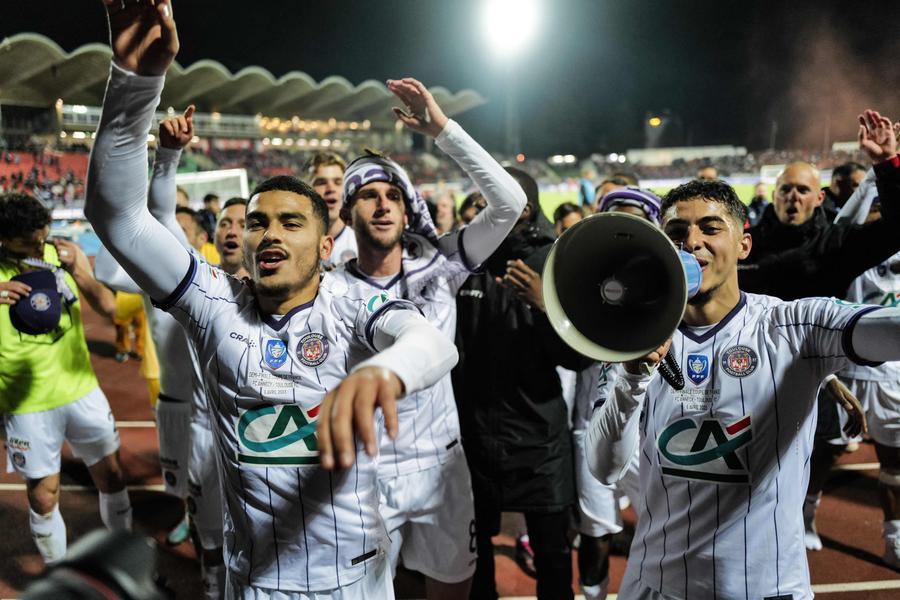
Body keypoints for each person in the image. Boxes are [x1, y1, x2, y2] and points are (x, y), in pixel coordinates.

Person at [86, 3, 458, 598]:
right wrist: (133, 83)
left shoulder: (353, 301)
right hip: (255, 582)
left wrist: (384, 373)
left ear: (326, 242)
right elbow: (117, 215)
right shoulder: (211, 299)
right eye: (258, 223)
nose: (269, 235)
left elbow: (431, 343)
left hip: (358, 583)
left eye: (291, 222)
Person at [585, 171, 900, 599]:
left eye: (710, 228)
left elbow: (890, 330)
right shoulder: (632, 339)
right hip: (655, 584)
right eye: (676, 232)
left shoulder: (794, 326)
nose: (692, 241)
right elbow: (604, 468)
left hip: (765, 588)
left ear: (744, 245)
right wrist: (633, 376)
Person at [330, 77, 526, 598]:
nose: (382, 204)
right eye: (367, 196)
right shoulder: (331, 286)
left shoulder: (440, 263)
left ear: (406, 203)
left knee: (452, 591)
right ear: (349, 212)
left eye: (392, 194)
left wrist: (443, 130)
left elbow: (509, 202)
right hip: (366, 471)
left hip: (442, 466)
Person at [740, 110, 900, 552]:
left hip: (811, 378)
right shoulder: (745, 240)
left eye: (802, 190)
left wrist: (886, 165)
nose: (792, 196)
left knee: (819, 453)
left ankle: (803, 518)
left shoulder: (835, 246)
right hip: (744, 379)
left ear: (818, 198)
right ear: (772, 196)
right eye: (784, 189)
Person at [455, 167, 590, 600]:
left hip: (539, 437)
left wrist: (544, 307)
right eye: (478, 200)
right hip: (471, 437)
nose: (478, 209)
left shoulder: (557, 261)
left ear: (524, 209)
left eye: (488, 200)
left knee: (553, 560)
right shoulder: (462, 263)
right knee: (474, 560)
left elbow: (578, 357)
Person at [0, 192, 131, 565]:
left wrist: (80, 273)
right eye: (28, 243)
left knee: (113, 477)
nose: (40, 247)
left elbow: (109, 307)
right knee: (43, 497)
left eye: (42, 237)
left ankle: (122, 559)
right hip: (26, 402)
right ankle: (59, 575)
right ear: (5, 240)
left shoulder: (61, 254)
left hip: (81, 389)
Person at [305, 152, 357, 268]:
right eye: (321, 182)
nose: (331, 188)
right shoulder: (296, 244)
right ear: (308, 191)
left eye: (338, 182)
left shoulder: (362, 243)